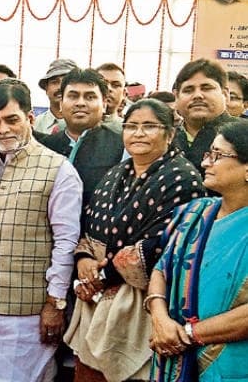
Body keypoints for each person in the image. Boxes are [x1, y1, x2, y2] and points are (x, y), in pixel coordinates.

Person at [0, 81, 83, 382]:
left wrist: (55, 304)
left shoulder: (59, 170)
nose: (3, 130)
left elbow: (65, 244)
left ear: (30, 118)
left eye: (12, 120)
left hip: (28, 316)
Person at [63, 98, 204, 382]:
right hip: (95, 299)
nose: (138, 133)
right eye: (131, 126)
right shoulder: (116, 173)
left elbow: (162, 245)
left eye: (149, 126)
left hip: (141, 303)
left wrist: (102, 277)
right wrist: (84, 259)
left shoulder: (182, 177)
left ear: (169, 134)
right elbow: (89, 225)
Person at [147, 122, 248, 381]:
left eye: (217, 155)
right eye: (208, 154)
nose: (205, 163)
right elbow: (161, 269)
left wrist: (187, 334)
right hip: (170, 350)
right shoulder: (195, 212)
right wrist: (159, 318)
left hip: (231, 364)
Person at [43, 67, 125, 218]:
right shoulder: (44, 147)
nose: (80, 103)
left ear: (104, 104)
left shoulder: (121, 147)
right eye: (73, 96)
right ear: (61, 104)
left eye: (90, 97)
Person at [172, 58, 246, 177]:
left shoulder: (244, 133)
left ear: (225, 94)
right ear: (176, 97)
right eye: (188, 90)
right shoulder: (165, 137)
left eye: (206, 88)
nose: (197, 95)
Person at [35, 58, 78, 135]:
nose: (60, 87)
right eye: (54, 82)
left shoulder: (88, 124)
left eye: (67, 82)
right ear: (46, 89)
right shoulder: (34, 125)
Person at [96, 62, 127, 133]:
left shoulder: (128, 131)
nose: (108, 88)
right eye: (103, 84)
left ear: (124, 94)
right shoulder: (73, 128)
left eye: (116, 85)